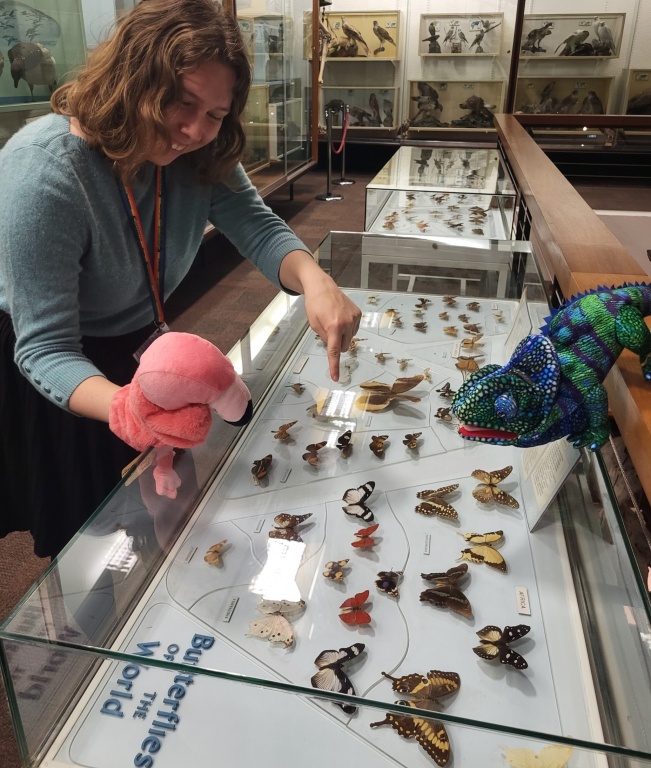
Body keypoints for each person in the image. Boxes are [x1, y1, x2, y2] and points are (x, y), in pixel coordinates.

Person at [0, 0, 361, 558]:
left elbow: (258, 227)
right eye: (180, 102)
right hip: (60, 362)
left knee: (157, 507)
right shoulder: (43, 168)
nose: (195, 130)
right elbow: (45, 346)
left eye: (217, 113)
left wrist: (314, 277)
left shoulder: (203, 147)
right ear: (130, 83)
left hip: (140, 345)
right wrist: (124, 408)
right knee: (90, 537)